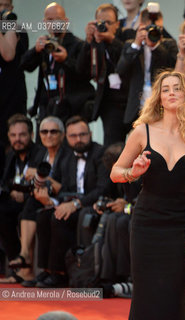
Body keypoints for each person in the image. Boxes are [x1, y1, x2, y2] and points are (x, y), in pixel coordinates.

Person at [110, 71, 185, 320]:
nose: (171, 93)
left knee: (177, 292)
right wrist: (133, 173)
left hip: (181, 224)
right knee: (146, 292)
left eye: (177, 88)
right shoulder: (142, 132)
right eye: (165, 89)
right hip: (147, 223)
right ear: (158, 97)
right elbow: (115, 173)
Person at [34, 116, 108, 288]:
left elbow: (102, 188)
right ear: (67, 138)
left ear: (90, 134)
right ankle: (46, 270)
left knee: (58, 218)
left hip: (91, 205)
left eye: (82, 134)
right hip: (71, 203)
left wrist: (76, 204)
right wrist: (51, 201)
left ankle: (59, 273)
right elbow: (64, 188)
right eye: (73, 136)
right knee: (43, 215)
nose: (78, 139)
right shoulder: (67, 157)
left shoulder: (100, 153)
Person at [8, 116, 67, 287]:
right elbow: (33, 180)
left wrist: (43, 178)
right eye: (44, 131)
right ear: (39, 134)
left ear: (62, 135)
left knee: (40, 212)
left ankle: (32, 261)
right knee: (30, 205)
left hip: (61, 198)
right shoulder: (40, 153)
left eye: (53, 131)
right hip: (40, 198)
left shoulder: (67, 154)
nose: (48, 135)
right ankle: (27, 257)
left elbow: (65, 186)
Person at [20, 2, 94, 124]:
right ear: (44, 22)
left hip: (72, 107)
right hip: (47, 105)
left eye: (58, 20)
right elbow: (24, 65)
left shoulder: (78, 45)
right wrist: (35, 50)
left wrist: (66, 60)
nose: (54, 24)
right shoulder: (45, 45)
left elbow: (86, 74)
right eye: (50, 20)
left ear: (66, 21)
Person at [76, 3, 129, 146]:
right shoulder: (94, 41)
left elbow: (129, 59)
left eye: (108, 23)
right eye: (100, 22)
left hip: (131, 102)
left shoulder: (126, 37)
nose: (103, 26)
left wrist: (111, 39)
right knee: (112, 148)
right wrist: (88, 42)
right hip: (110, 105)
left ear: (117, 24)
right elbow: (81, 70)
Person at [116, 7, 177, 126]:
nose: (155, 32)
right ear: (142, 26)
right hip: (136, 107)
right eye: (151, 29)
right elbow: (121, 69)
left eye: (159, 29)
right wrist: (137, 44)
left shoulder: (168, 44)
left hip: (161, 105)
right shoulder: (131, 45)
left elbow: (171, 67)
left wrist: (155, 46)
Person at [0, 114, 42, 284]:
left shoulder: (40, 153)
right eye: (13, 135)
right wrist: (10, 192)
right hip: (15, 202)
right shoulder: (11, 155)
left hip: (35, 200)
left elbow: (42, 182)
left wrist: (23, 194)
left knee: (25, 210)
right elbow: (5, 182)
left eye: (22, 135)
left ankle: (26, 267)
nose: (18, 139)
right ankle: (16, 267)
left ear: (31, 135)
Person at [0, 0, 29, 149]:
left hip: (12, 97)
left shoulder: (18, 29)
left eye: (5, 5)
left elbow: (8, 54)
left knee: (13, 141)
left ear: (11, 7)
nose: (2, 9)